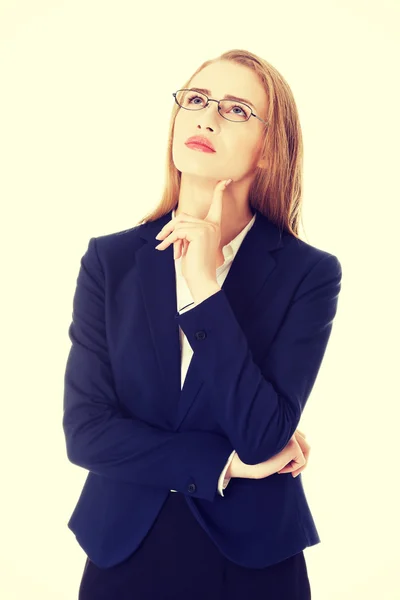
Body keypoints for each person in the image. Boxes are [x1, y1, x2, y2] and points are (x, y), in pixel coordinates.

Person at [63, 48, 342, 599]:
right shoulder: (110, 261)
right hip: (123, 546)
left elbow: (264, 435)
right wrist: (226, 464)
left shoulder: (308, 273)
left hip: (253, 561)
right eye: (196, 100)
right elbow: (87, 433)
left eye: (236, 110)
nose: (207, 117)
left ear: (268, 149)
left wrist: (205, 290)